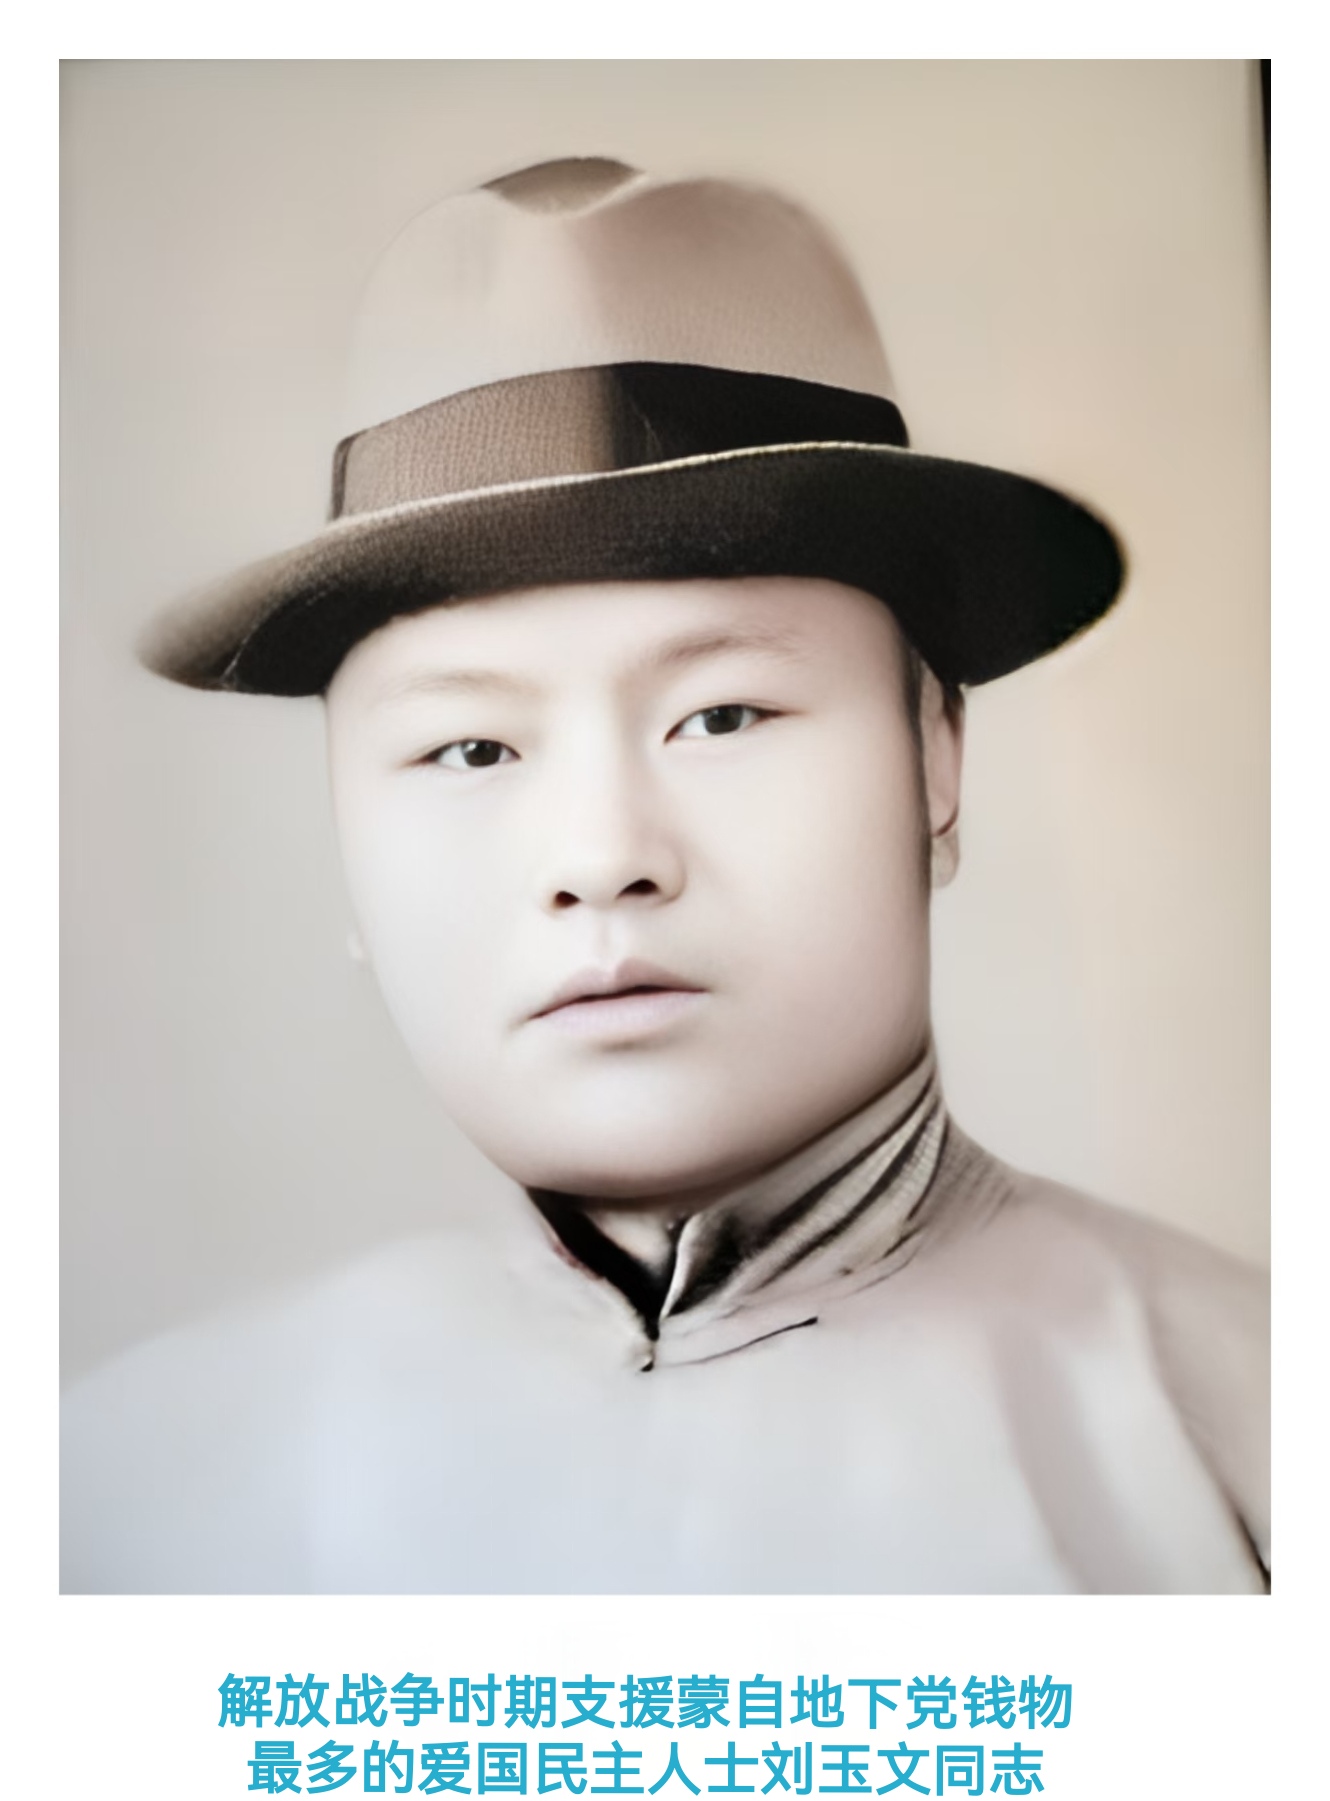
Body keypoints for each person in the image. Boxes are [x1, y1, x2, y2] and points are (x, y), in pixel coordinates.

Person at [61, 157, 1268, 1594]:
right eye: (468, 748)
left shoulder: (1255, 1442)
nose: (601, 858)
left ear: (935, 758)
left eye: (723, 716)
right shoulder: (118, 1498)